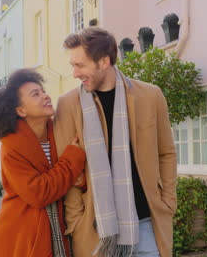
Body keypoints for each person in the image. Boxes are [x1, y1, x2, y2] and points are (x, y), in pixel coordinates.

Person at [54, 27, 177, 257]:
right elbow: (66, 170)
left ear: (104, 61)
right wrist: (76, 220)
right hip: (94, 231)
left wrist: (168, 201)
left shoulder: (150, 96)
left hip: (146, 225)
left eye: (80, 65)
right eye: (73, 65)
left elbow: (166, 153)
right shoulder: (68, 105)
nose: (75, 73)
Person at [0, 68, 87, 257]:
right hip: (24, 231)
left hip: (63, 223)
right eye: (36, 94)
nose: (45, 96)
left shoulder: (60, 132)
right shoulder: (11, 147)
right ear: (21, 110)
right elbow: (39, 193)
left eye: (42, 91)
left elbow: (76, 179)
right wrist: (72, 159)